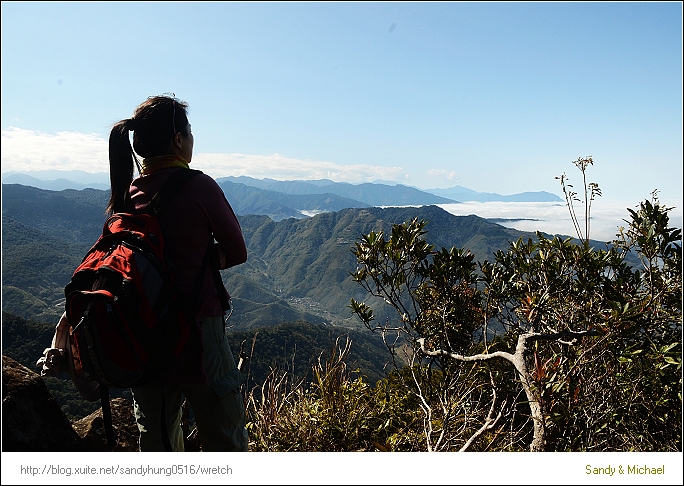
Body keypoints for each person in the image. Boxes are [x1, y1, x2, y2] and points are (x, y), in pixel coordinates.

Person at [107, 94, 249, 452]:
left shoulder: (128, 194)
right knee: (223, 433)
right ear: (178, 139)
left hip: (144, 331)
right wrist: (201, 257)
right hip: (200, 330)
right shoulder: (198, 186)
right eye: (190, 131)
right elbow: (237, 251)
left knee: (157, 438)